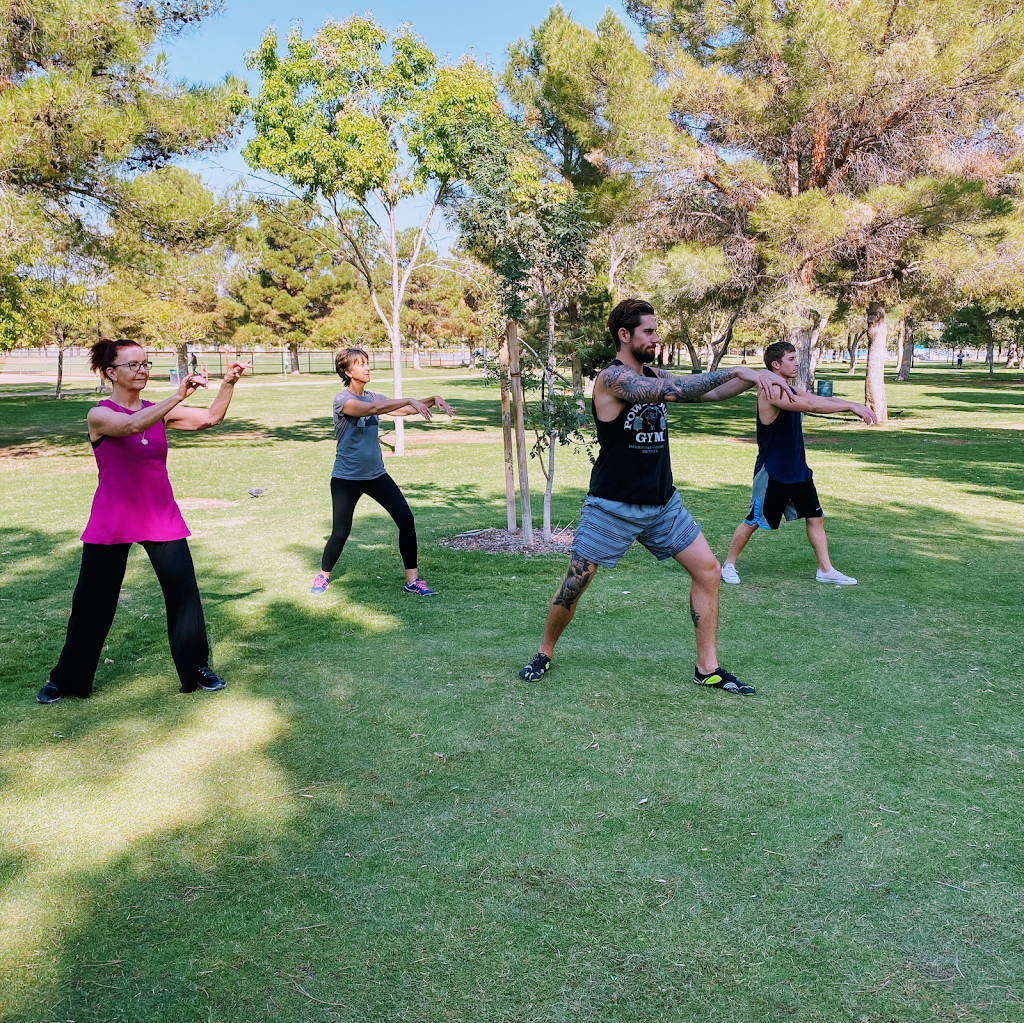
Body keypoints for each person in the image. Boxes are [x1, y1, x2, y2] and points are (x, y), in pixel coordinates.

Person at [518, 298, 767, 696]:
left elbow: (712, 394)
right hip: (611, 506)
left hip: (662, 504)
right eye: (649, 331)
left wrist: (759, 377)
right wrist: (736, 368)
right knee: (575, 584)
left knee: (708, 571)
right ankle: (544, 651)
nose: (656, 337)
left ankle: (708, 668)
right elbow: (678, 388)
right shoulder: (611, 379)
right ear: (625, 335)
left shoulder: (653, 373)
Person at [37, 339, 251, 703]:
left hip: (159, 516)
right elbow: (132, 425)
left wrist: (228, 382)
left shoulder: (159, 411)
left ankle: (197, 669)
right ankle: (68, 678)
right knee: (92, 603)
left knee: (184, 597)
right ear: (110, 373)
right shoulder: (99, 414)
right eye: (132, 364)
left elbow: (211, 418)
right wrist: (178, 395)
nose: (142, 370)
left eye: (145, 363)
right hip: (113, 518)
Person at [720, 340, 877, 588]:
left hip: (798, 470)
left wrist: (853, 404)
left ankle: (825, 570)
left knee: (815, 517)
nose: (797, 363)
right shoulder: (771, 391)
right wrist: (850, 406)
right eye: (791, 359)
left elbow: (814, 397)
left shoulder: (789, 388)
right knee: (753, 520)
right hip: (773, 471)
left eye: (796, 358)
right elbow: (811, 406)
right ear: (776, 364)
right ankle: (728, 565)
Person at [310, 347, 455, 597]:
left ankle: (412, 581)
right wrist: (409, 398)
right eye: (360, 364)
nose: (367, 367)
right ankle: (323, 576)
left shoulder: (374, 396)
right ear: (347, 371)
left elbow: (401, 410)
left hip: (376, 476)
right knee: (341, 531)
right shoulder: (342, 400)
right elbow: (373, 410)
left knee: (406, 520)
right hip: (346, 478)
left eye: (367, 362)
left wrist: (431, 399)